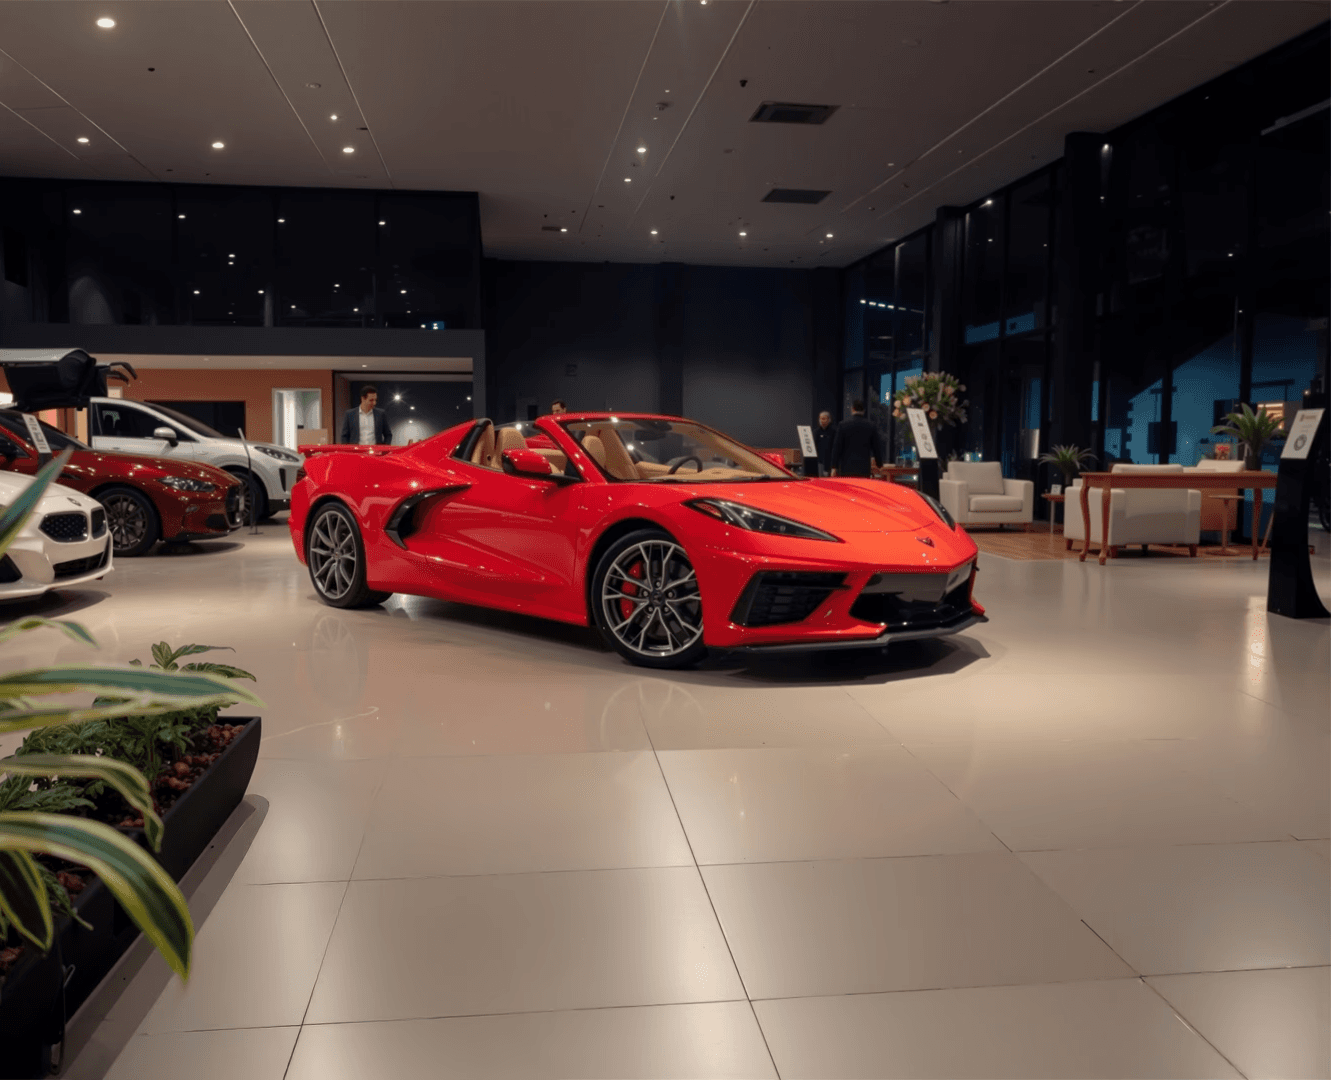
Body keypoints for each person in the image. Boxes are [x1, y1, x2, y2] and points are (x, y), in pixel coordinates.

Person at [830, 400, 883, 478]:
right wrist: (879, 464)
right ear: (864, 410)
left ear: (852, 409)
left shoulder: (843, 425)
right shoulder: (871, 426)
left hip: (846, 467)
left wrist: (834, 466)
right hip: (864, 468)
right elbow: (876, 447)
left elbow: (837, 447)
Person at [812, 410, 836, 477]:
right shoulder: (816, 432)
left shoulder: (833, 432)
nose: (822, 420)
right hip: (819, 461)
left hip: (829, 462)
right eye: (820, 418)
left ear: (829, 419)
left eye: (824, 418)